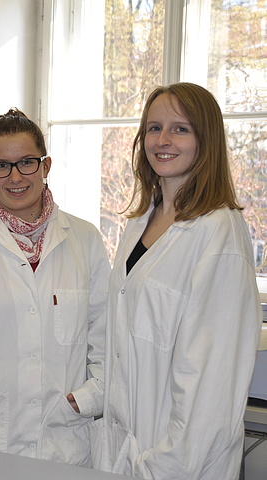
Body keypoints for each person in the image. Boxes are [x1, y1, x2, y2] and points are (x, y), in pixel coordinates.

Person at [90, 83, 262, 479]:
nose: (163, 140)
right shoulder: (140, 221)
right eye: (153, 128)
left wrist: (161, 468)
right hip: (125, 453)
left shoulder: (219, 232)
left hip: (177, 464)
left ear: (207, 140)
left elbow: (209, 387)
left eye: (180, 129)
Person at [0, 108, 109, 465]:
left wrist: (90, 398)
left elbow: (106, 338)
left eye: (27, 162)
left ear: (46, 166)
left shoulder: (85, 240)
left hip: (67, 442)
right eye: (1, 166)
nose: (15, 176)